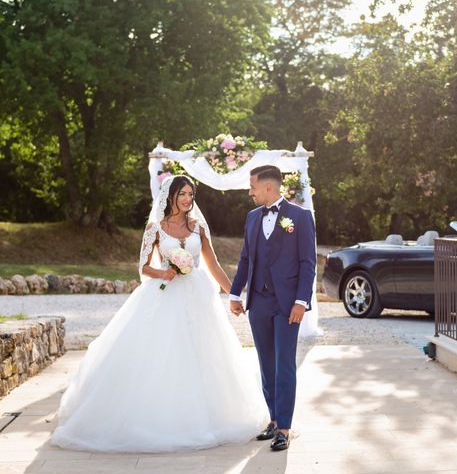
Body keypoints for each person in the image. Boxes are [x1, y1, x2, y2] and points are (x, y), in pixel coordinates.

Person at [52, 175, 268, 452]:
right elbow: (143, 267)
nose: (188, 200)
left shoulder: (199, 226)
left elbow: (212, 264)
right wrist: (163, 271)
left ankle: (210, 415)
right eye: (183, 194)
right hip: (166, 293)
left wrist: (234, 294)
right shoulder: (155, 228)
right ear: (171, 197)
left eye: (191, 194)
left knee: (204, 351)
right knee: (165, 351)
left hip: (198, 295)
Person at [229, 165, 316, 451]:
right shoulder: (252, 217)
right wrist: (234, 293)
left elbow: (307, 263)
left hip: (288, 303)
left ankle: (285, 428)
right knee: (266, 365)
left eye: (252, 186)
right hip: (259, 302)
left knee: (285, 364)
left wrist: (301, 301)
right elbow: (245, 259)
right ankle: (274, 419)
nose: (250, 191)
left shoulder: (301, 217)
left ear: (268, 187)